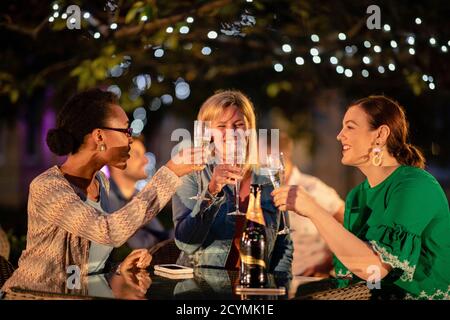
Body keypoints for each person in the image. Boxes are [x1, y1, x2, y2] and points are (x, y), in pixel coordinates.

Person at [1, 88, 203, 294]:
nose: (130, 139)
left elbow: (83, 265)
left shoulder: (101, 183)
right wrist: (169, 174)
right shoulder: (47, 187)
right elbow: (107, 232)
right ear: (99, 136)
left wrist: (117, 268)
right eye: (126, 131)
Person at [273, 95, 450, 299]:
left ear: (380, 134)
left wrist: (314, 210)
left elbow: (374, 269)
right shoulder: (357, 196)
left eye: (350, 127)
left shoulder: (415, 185)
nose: (340, 136)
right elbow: (358, 277)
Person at [172, 90, 293, 275]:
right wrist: (211, 191)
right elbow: (186, 243)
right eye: (221, 126)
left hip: (254, 288)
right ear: (209, 132)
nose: (231, 133)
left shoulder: (267, 179)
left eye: (238, 125)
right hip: (201, 288)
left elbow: (283, 245)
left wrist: (279, 287)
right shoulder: (193, 174)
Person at [274, 132, 344, 277]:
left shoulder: (313, 188)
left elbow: (351, 225)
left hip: (310, 283)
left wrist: (329, 263)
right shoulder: (261, 191)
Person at [108, 137, 172, 251]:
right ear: (117, 161)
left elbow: (161, 236)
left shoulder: (139, 196)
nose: (146, 160)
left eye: (144, 154)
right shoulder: (106, 198)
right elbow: (130, 245)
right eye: (137, 155)